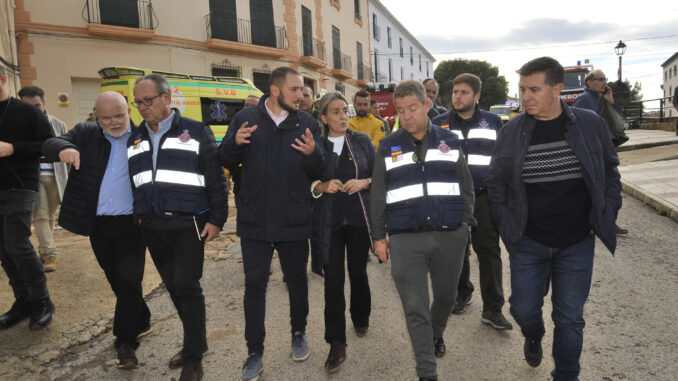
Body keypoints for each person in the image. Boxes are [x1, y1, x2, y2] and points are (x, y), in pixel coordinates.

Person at [487, 57, 621, 381]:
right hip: (528, 241)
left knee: (571, 318)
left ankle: (566, 375)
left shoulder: (590, 124)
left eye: (534, 89)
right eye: (522, 89)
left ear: (557, 89)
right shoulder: (511, 132)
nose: (525, 97)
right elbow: (496, 181)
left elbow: (608, 170)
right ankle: (533, 334)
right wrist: (507, 225)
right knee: (523, 309)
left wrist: (608, 209)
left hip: (576, 241)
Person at [218, 67, 325, 381]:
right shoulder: (246, 119)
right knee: (254, 287)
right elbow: (223, 158)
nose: (302, 96)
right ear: (276, 91)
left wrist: (311, 153)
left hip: (294, 217)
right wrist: (235, 144)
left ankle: (298, 332)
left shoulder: (306, 123)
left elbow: (320, 167)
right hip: (255, 220)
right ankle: (254, 351)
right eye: (295, 89)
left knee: (297, 281)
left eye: (303, 90)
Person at [370, 79, 475, 381]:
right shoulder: (388, 146)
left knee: (445, 298)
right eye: (401, 110)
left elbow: (465, 184)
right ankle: (426, 371)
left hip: (449, 234)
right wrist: (379, 237)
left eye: (412, 108)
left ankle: (436, 332)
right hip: (405, 238)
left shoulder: (449, 140)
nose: (407, 116)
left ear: (427, 105)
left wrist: (465, 223)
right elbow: (378, 193)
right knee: (415, 307)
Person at [128, 74, 228, 381]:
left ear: (166, 98)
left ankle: (193, 358)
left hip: (188, 224)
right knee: (173, 287)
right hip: (153, 225)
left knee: (187, 285)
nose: (143, 107)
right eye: (138, 102)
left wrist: (216, 219)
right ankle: (196, 342)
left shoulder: (196, 131)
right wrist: (140, 216)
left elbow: (215, 179)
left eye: (148, 100)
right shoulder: (136, 137)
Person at [42, 91, 152, 369]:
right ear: (96, 116)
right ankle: (142, 317)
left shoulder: (144, 138)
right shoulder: (86, 134)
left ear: (128, 110)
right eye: (106, 118)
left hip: (132, 223)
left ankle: (126, 343)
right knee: (116, 279)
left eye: (119, 115)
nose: (114, 122)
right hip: (99, 224)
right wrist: (62, 149)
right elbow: (51, 142)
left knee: (129, 280)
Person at [431, 73, 512, 330]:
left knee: (488, 252)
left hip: (484, 198)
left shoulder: (493, 121)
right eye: (455, 91)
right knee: (456, 251)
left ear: (476, 96)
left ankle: (493, 308)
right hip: (450, 200)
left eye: (464, 92)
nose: (457, 96)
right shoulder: (438, 123)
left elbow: (504, 159)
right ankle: (462, 292)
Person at [310, 93, 375, 373]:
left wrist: (364, 182)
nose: (342, 116)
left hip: (358, 220)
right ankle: (336, 342)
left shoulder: (361, 141)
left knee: (358, 273)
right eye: (335, 112)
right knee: (333, 281)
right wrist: (321, 186)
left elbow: (379, 175)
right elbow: (303, 181)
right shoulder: (315, 146)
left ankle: (361, 316)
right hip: (328, 224)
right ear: (323, 118)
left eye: (344, 111)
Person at [0, 66, 55, 331]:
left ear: (2, 79)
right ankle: (23, 300)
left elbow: (48, 144)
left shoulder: (26, 112)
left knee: (16, 242)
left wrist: (13, 148)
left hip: (20, 185)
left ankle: (42, 301)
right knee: (3, 247)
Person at [18, 86, 68, 272]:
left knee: (49, 217)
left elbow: (66, 150)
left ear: (44, 103)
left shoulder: (58, 124)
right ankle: (50, 255)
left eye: (37, 105)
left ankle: (43, 249)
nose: (33, 110)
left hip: (56, 177)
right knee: (40, 216)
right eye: (28, 106)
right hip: (33, 177)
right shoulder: (19, 126)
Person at [573, 70, 628, 235]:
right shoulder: (584, 99)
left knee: (609, 186)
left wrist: (610, 100)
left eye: (605, 79)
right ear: (589, 82)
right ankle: (598, 223)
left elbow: (618, 121)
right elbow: (574, 123)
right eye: (601, 79)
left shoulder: (601, 98)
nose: (605, 82)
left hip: (604, 149)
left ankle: (607, 222)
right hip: (593, 151)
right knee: (597, 188)